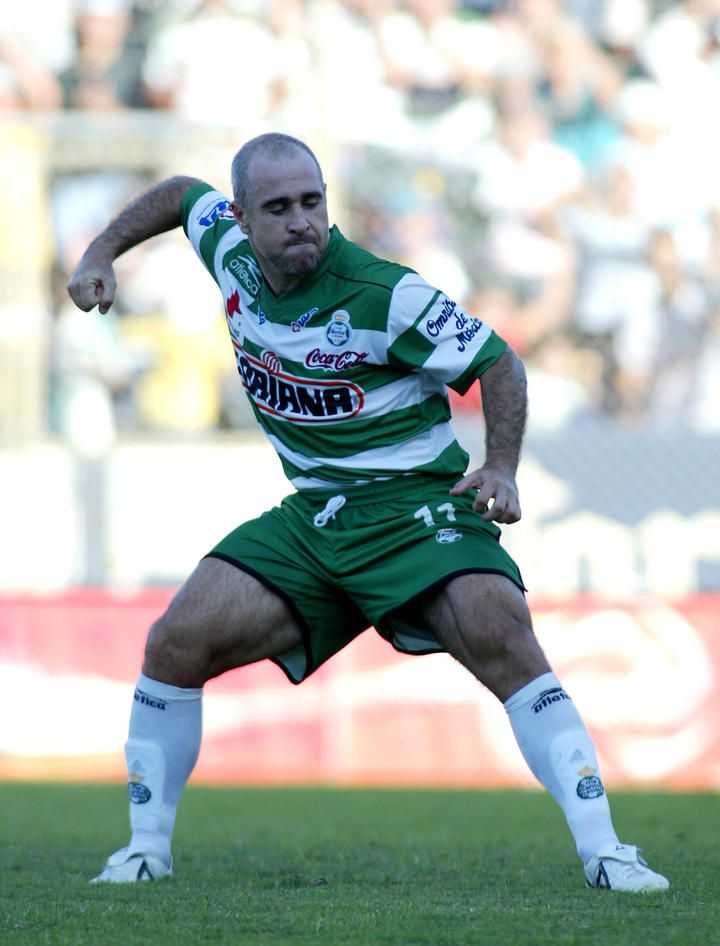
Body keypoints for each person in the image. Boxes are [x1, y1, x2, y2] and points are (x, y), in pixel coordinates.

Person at [67, 132, 669, 893]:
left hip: (414, 507)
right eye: (278, 208)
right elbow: (180, 192)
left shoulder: (387, 293)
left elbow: (498, 362)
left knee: (500, 632)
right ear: (243, 218)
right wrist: (99, 253)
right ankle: (144, 852)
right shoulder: (228, 251)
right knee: (174, 642)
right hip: (316, 517)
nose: (300, 222)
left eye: (312, 203)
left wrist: (502, 468)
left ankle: (607, 852)